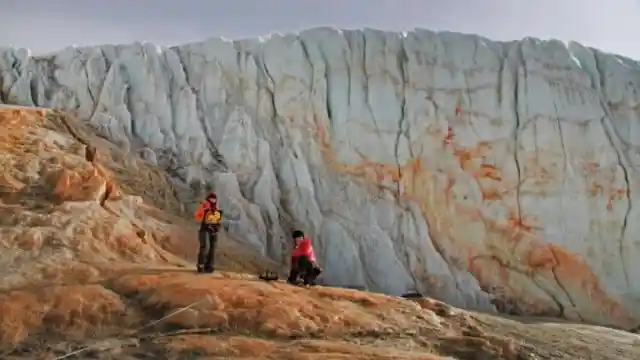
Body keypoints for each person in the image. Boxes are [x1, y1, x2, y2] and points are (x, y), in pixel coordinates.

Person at [193, 192, 223, 273]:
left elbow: (218, 220)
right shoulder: (204, 206)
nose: (213, 200)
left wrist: (218, 225)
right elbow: (197, 216)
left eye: (214, 198)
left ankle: (209, 266)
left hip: (213, 231)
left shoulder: (216, 209)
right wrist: (203, 212)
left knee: (212, 249)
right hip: (205, 230)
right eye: (211, 198)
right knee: (205, 247)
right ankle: (201, 265)